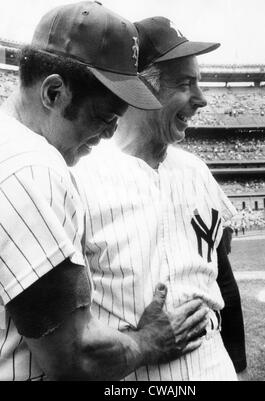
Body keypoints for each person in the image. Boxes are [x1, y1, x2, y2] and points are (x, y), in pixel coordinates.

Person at [0, 3, 209, 381]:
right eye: (103, 117)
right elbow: (74, 357)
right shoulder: (34, 167)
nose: (110, 134)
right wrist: (150, 341)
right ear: (53, 92)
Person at [73, 16, 246, 380]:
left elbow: (222, 278)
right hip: (135, 376)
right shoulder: (79, 177)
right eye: (186, 84)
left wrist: (240, 368)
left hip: (214, 363)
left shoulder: (196, 170)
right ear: (141, 89)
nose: (201, 99)